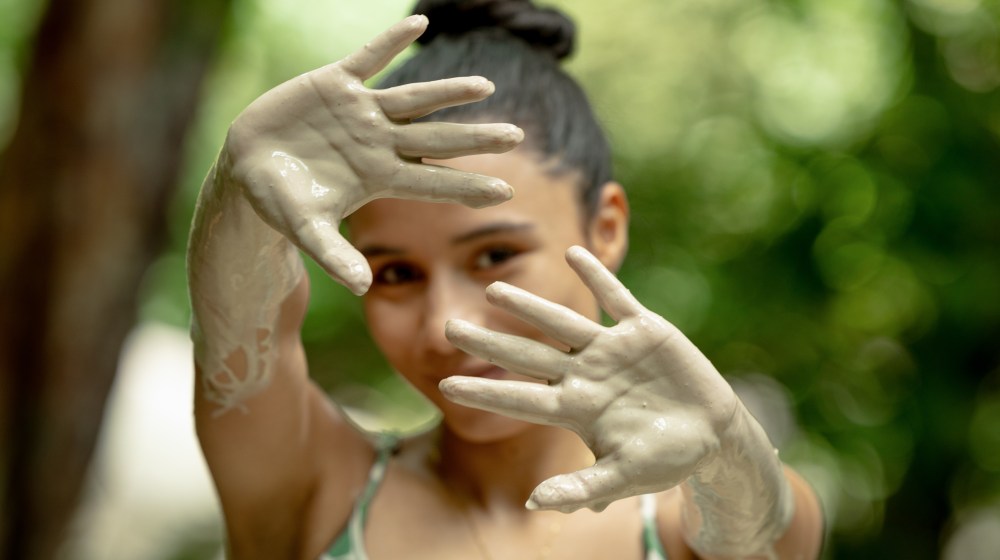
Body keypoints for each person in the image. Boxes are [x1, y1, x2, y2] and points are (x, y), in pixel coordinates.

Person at [186, 1, 825, 558]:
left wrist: (729, 456)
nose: (446, 323)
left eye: (494, 256)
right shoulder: (315, 486)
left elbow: (766, 540)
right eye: (397, 272)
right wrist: (233, 200)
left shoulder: (700, 521)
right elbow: (241, 338)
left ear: (606, 227)